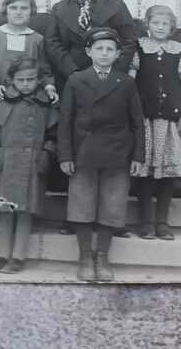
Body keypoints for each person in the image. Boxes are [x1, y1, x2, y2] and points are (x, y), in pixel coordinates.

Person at [58, 27, 146, 282]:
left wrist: (138, 156)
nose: (104, 53)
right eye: (99, 49)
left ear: (118, 53)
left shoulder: (126, 82)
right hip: (83, 152)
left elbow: (137, 122)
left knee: (112, 205)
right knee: (81, 204)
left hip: (118, 152)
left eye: (110, 49)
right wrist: (65, 155)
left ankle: (102, 256)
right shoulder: (76, 80)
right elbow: (66, 120)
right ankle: (85, 256)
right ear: (89, 52)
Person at [0, 58, 58, 274]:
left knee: (25, 211)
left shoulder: (45, 103)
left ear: (39, 80)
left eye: (30, 80)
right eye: (20, 80)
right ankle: (1, 255)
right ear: (11, 79)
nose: (25, 84)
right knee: (5, 209)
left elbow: (54, 132)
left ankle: (18, 257)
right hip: (6, 163)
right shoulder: (1, 100)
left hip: (33, 163)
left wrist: (46, 154)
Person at [127, 6, 181, 240]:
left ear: (172, 27)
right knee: (143, 171)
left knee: (166, 173)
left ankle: (162, 222)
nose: (160, 27)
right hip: (144, 119)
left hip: (170, 121)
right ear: (148, 24)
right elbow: (130, 82)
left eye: (165, 24)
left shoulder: (180, 50)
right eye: (156, 23)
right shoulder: (139, 49)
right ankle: (146, 222)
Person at [44, 0, 139, 82]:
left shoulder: (116, 5)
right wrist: (72, 72)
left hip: (109, 74)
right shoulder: (60, 8)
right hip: (72, 76)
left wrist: (113, 70)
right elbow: (53, 43)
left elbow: (129, 40)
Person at [0, 0, 57, 102]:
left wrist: (49, 88)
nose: (18, 12)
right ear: (6, 10)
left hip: (28, 98)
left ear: (31, 11)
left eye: (24, 8)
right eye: (13, 8)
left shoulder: (37, 39)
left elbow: (44, 70)